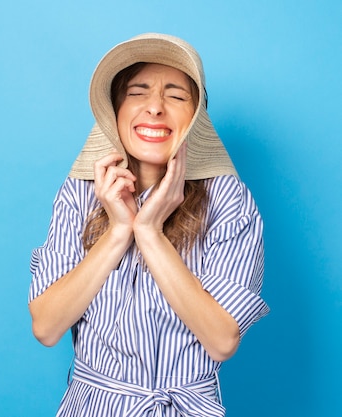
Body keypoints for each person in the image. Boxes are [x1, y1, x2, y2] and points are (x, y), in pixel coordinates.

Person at [28, 33, 269, 417]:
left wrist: (150, 232)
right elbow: (47, 326)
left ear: (196, 120)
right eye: (138, 92)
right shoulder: (80, 193)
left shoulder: (229, 201)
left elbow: (222, 340)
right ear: (116, 111)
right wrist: (120, 229)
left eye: (176, 96)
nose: (155, 108)